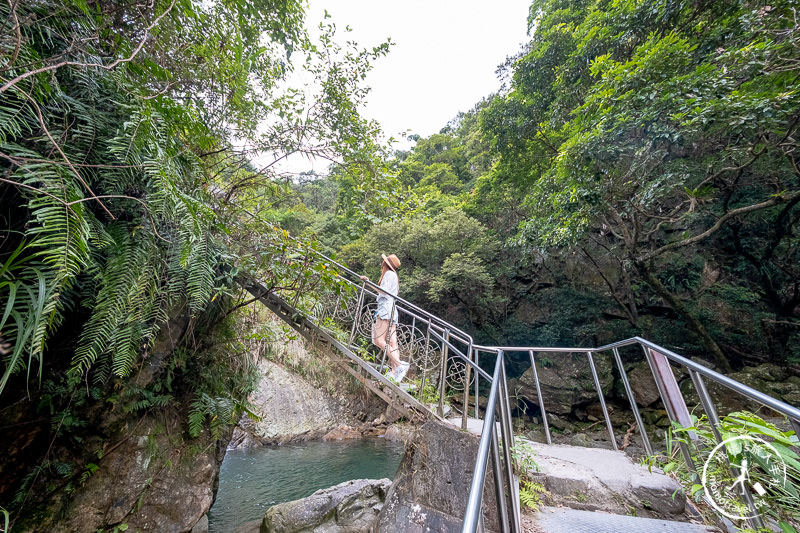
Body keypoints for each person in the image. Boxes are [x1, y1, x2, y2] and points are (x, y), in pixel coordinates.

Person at [360, 254, 410, 383]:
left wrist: (368, 282)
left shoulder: (389, 275)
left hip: (385, 309)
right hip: (392, 309)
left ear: (386, 264)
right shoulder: (394, 276)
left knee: (378, 340)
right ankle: (395, 372)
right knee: (393, 342)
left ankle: (399, 365)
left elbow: (383, 291)